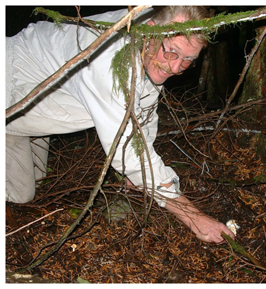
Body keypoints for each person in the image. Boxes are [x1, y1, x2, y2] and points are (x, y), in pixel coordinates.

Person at [5, 6, 236, 243]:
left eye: (188, 60)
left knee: (38, 177)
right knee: (21, 194)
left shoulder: (149, 41)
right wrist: (192, 217)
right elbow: (128, 149)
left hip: (38, 99)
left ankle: (22, 134)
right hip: (10, 90)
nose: (176, 68)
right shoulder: (108, 63)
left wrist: (141, 177)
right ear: (151, 31)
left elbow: (142, 108)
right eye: (173, 53)